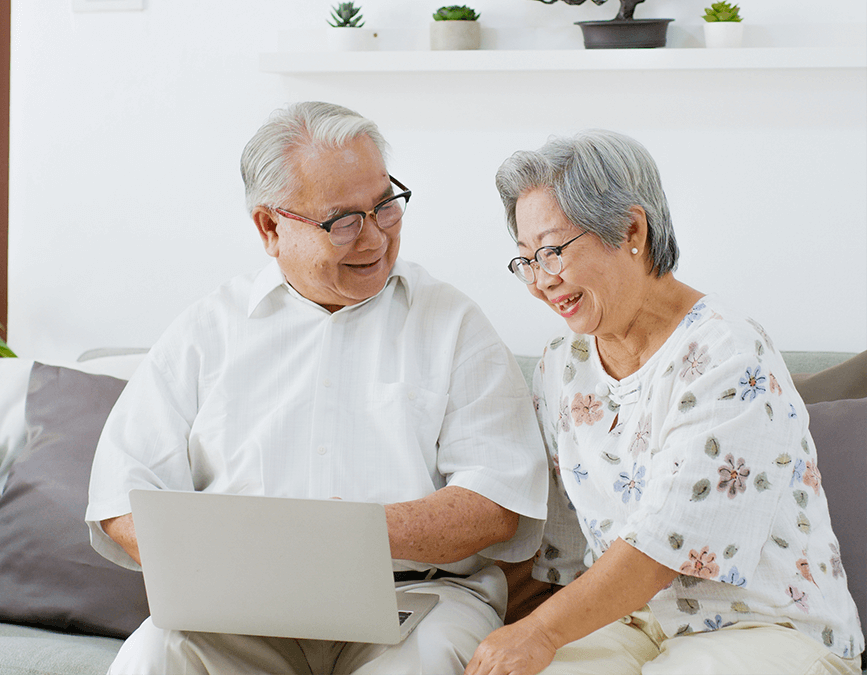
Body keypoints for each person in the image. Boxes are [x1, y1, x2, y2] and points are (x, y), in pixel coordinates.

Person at [85, 101, 549, 675]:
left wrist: (335, 541)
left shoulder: (453, 324)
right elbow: (120, 499)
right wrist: (237, 561)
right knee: (149, 658)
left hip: (418, 603)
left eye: (385, 206)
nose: (375, 237)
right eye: (343, 221)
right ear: (270, 226)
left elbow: (495, 504)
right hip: (239, 613)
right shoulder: (207, 331)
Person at [466, 129, 864, 675]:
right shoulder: (563, 362)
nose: (541, 280)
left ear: (632, 229)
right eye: (526, 260)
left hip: (766, 626)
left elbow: (664, 545)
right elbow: (553, 544)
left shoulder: (727, 351)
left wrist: (537, 632)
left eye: (554, 251)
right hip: (635, 623)